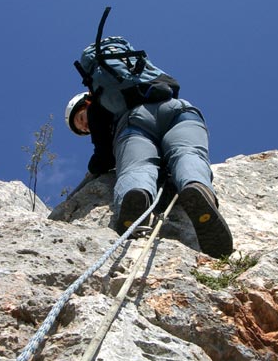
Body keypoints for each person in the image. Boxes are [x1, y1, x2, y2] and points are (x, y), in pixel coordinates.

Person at [65, 86, 234, 259]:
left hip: (134, 123)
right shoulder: (136, 88)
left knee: (137, 166)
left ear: (84, 104)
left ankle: (136, 197)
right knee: (188, 153)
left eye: (81, 119)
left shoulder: (97, 109)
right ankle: (198, 188)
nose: (87, 126)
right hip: (181, 112)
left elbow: (102, 161)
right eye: (84, 130)